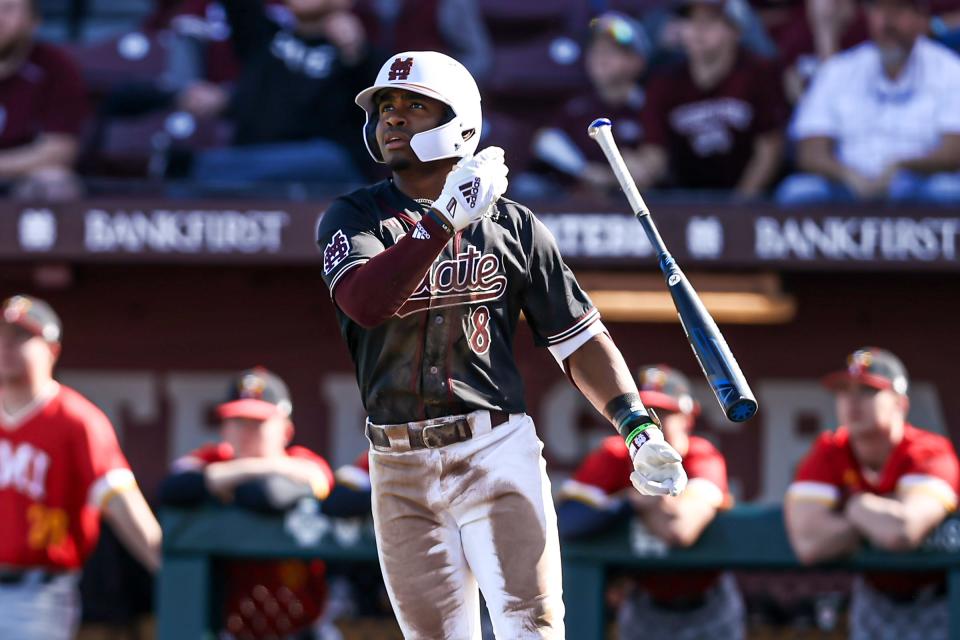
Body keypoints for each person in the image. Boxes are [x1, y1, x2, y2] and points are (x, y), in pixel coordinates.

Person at [315, 50, 688, 639]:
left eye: (415, 106)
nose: (393, 119)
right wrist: (443, 218)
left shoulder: (513, 225)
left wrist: (637, 426)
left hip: (493, 450)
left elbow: (579, 338)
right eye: (386, 107)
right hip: (396, 459)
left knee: (531, 627)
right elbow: (366, 303)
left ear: (460, 124)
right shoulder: (353, 216)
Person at [0, 294, 161, 640]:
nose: (7, 347)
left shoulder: (77, 420)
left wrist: (168, 567)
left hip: (37, 593)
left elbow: (119, 500)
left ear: (52, 350)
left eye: (21, 338)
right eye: (1, 337)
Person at [557, 365, 743, 640]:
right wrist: (626, 504)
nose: (652, 424)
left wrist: (640, 499)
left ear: (687, 419)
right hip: (646, 602)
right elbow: (566, 522)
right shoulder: (616, 454)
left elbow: (681, 530)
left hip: (707, 602)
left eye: (663, 414)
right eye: (644, 414)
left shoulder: (702, 456)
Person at [784, 347, 959, 640]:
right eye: (844, 391)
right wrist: (873, 515)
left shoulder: (928, 451)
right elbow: (808, 543)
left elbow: (901, 531)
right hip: (876, 596)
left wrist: (854, 505)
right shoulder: (830, 450)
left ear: (900, 403)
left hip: (942, 597)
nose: (852, 401)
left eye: (867, 391)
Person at [158, 366, 335, 639]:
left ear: (286, 431)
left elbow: (271, 496)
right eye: (238, 421)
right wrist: (250, 470)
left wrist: (224, 483)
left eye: (258, 422)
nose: (246, 431)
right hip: (231, 629)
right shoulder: (211, 458)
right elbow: (172, 488)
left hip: (302, 629)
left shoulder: (304, 460)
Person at [777, 0, 960, 204]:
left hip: (919, 182)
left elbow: (954, 150)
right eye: (879, 11)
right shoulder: (838, 70)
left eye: (898, 11)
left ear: (920, 18)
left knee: (949, 189)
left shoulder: (951, 70)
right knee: (799, 190)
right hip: (849, 184)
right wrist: (848, 174)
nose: (888, 22)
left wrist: (903, 166)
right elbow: (810, 151)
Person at [183, 0, 382, 186]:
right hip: (254, 160)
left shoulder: (362, 56)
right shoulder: (263, 37)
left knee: (204, 168)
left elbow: (383, 114)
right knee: (223, 166)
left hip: (330, 166)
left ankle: (192, 169)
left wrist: (354, 51)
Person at [632, 0, 788, 197]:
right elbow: (655, 153)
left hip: (754, 198)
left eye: (709, 21)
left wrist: (739, 207)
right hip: (683, 198)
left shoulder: (760, 73)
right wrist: (638, 169)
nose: (697, 30)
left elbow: (770, 148)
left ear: (736, 30)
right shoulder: (663, 81)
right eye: (689, 20)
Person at [530, 11, 650, 194]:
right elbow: (546, 141)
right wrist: (584, 170)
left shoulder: (648, 106)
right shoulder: (576, 107)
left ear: (637, 61)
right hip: (578, 201)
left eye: (613, 51)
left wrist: (609, 176)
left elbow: (651, 166)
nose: (601, 57)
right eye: (596, 49)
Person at [0, 0, 89, 200]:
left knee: (56, 183)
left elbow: (59, 152)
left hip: (22, 178)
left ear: (34, 22)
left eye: (8, 9)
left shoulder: (56, 66)